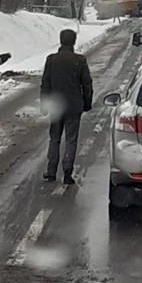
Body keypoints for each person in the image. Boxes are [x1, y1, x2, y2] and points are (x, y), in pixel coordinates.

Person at [41, 29, 93, 185]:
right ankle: (67, 172)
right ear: (74, 42)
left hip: (56, 106)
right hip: (73, 106)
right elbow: (87, 84)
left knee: (54, 139)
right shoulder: (80, 60)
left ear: (60, 40)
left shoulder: (51, 60)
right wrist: (87, 103)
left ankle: (51, 171)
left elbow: (45, 83)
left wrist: (44, 104)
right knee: (71, 140)